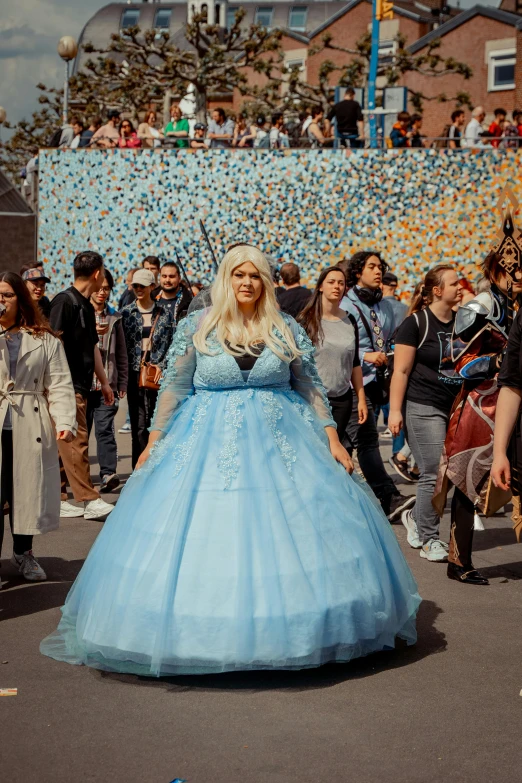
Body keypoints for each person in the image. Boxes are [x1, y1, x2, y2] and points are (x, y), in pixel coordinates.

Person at [40, 244, 420, 676]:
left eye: (254, 275)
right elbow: (175, 386)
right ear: (226, 278)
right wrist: (153, 440)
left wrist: (332, 436)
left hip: (282, 442)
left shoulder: (285, 327)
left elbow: (310, 384)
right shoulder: (198, 325)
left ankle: (294, 630)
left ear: (265, 282)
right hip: (205, 440)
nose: (246, 282)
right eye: (238, 275)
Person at [434, 250, 521, 585]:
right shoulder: (479, 307)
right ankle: (459, 561)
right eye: (512, 269)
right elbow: (454, 363)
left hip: (512, 401)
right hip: (480, 406)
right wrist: (498, 362)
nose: (517, 276)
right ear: (497, 269)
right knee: (467, 483)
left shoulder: (516, 304)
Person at [0, 272, 76, 587]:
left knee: (26, 492)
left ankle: (23, 552)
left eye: (6, 295)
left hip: (29, 420)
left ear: (21, 298)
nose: (1, 300)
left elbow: (58, 383)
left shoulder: (44, 338)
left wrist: (65, 421)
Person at [389, 265, 463, 561]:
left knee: (445, 476)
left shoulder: (462, 322)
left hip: (454, 407)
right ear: (437, 290)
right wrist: (395, 411)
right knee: (433, 471)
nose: (460, 288)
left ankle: (417, 521)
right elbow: (401, 371)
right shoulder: (415, 323)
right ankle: (430, 538)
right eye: (454, 284)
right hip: (423, 405)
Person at [341, 251, 414, 521]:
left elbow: (389, 337)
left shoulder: (383, 306)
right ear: (358, 272)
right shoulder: (346, 304)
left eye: (380, 267)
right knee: (368, 441)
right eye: (371, 266)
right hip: (351, 383)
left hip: (376, 381)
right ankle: (388, 497)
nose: (378, 271)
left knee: (349, 443)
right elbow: (337, 343)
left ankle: (340, 496)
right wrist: (364, 355)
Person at [49, 251, 116, 521]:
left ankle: (58, 497)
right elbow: (53, 344)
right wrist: (57, 385)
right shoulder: (64, 302)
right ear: (98, 273)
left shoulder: (85, 305)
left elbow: (93, 347)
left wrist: (104, 382)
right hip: (67, 385)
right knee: (76, 442)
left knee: (64, 444)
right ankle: (89, 500)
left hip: (83, 383)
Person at [299, 266, 367, 436]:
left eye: (341, 283)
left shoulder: (350, 320)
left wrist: (361, 399)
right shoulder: (305, 320)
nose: (337, 286)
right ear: (321, 286)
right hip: (312, 398)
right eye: (331, 282)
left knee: (334, 451)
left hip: (342, 399)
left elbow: (355, 363)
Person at [121, 269, 175, 468]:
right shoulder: (126, 313)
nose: (138, 289)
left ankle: (155, 467)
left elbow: (172, 344)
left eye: (142, 286)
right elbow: (122, 346)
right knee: (138, 424)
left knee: (156, 423)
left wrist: (162, 364)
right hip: (134, 373)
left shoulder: (164, 313)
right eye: (135, 285)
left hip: (157, 374)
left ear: (153, 286)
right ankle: (138, 469)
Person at [87, 269, 128, 494]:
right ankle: (81, 479)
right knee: (81, 434)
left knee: (104, 430)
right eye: (99, 288)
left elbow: (121, 353)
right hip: (84, 384)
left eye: (106, 289)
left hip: (106, 386)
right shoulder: (81, 313)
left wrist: (121, 382)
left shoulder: (115, 317)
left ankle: (107, 474)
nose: (102, 292)